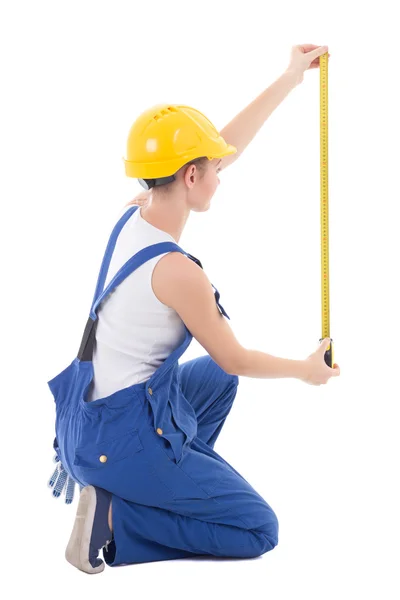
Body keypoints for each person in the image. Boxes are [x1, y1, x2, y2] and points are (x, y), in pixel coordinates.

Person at [48, 44, 339, 575]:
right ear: (188, 176)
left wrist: (291, 77)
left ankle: (164, 480)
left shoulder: (135, 213)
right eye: (212, 168)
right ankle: (117, 516)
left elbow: (223, 148)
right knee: (258, 529)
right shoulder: (180, 273)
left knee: (213, 384)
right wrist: (306, 370)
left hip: (87, 421)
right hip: (116, 438)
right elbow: (237, 358)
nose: (221, 172)